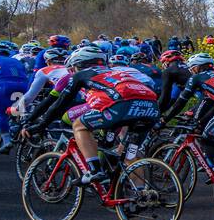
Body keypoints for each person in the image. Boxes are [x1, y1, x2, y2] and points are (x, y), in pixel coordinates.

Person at [20, 46, 160, 184]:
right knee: (130, 156)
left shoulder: (81, 75)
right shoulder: (113, 71)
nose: (71, 71)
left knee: (79, 125)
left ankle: (95, 171)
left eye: (72, 68)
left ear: (77, 65)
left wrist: (40, 125)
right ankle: (141, 194)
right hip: (151, 108)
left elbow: (59, 104)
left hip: (122, 106)